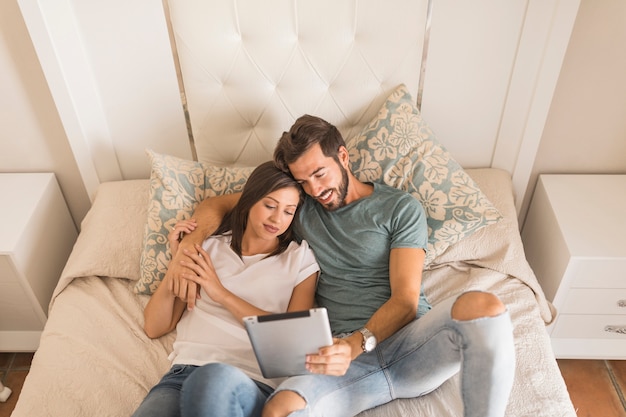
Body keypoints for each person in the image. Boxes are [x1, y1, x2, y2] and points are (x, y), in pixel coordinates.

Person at [166, 115, 516, 417]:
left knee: (482, 305)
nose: (315, 189)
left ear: (343, 157)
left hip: (410, 346)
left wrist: (354, 345)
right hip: (341, 365)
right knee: (279, 407)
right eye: (303, 181)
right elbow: (218, 205)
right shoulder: (296, 209)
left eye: (319, 174)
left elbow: (406, 301)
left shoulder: (399, 208)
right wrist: (191, 245)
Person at [132, 161, 320, 417]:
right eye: (270, 205)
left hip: (250, 381)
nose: (278, 219)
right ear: (248, 200)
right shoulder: (207, 247)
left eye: (289, 211)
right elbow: (155, 326)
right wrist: (177, 263)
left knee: (213, 379)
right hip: (182, 375)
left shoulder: (299, 260)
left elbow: (293, 348)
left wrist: (220, 293)